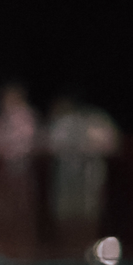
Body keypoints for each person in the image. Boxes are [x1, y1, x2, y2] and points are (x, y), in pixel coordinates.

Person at [43, 94, 119, 253]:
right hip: (67, 177)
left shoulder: (98, 121)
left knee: (89, 215)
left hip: (90, 177)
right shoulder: (63, 123)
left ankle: (89, 251)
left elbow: (111, 145)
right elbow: (51, 145)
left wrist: (89, 146)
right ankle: (66, 252)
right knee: (65, 215)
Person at [0, 84, 40, 253]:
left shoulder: (25, 116)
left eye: (9, 96)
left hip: (21, 171)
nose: (5, 100)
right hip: (3, 173)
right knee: (3, 211)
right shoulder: (2, 118)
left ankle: (23, 249)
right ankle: (3, 247)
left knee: (21, 211)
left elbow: (24, 143)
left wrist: (4, 146)